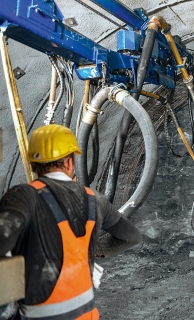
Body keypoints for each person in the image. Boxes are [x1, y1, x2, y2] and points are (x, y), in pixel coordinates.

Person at [0, 124, 142, 319]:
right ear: (69, 162)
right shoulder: (96, 199)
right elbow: (132, 237)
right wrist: (90, 251)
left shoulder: (23, 196)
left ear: (33, 164)